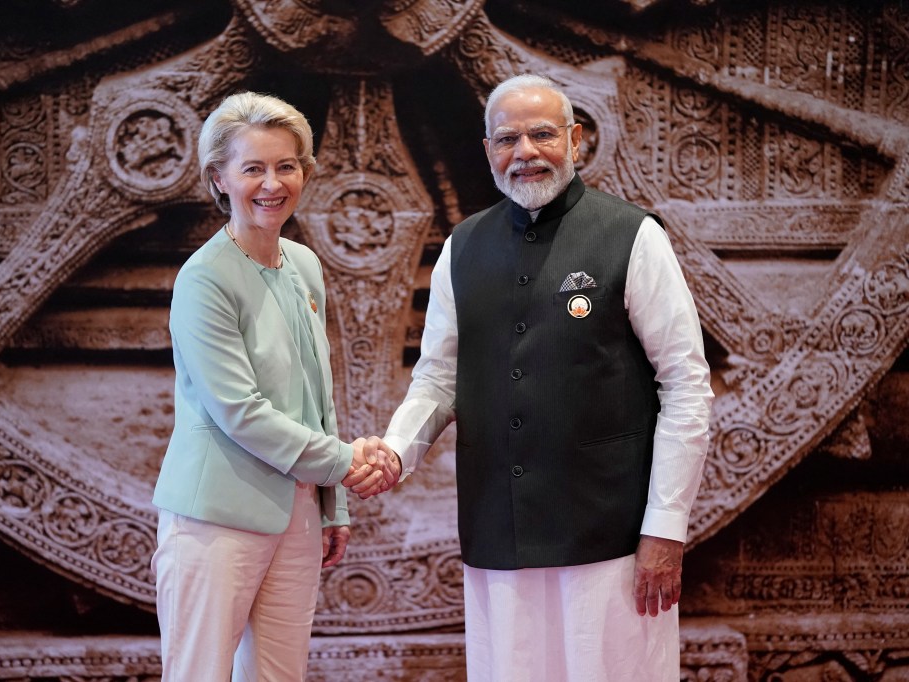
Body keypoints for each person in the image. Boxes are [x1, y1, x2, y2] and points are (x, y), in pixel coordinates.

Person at [353, 74, 714, 681]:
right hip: (499, 532)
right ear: (488, 150)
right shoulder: (461, 248)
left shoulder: (632, 237)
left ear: (575, 140)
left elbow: (685, 385)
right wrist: (394, 450)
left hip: (611, 536)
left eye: (542, 134)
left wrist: (666, 528)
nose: (525, 152)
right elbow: (439, 376)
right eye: (507, 138)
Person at [150, 91, 396, 682]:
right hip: (215, 520)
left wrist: (331, 504)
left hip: (298, 515)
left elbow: (318, 398)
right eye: (252, 168)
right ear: (219, 178)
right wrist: (343, 463)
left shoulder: (304, 265)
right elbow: (240, 411)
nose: (271, 183)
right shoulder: (204, 279)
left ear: (305, 173)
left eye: (286, 166)